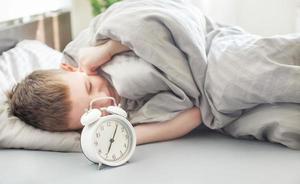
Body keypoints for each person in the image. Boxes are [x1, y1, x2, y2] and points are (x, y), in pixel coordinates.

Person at [7, 39, 202, 145]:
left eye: (89, 87)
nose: (104, 100)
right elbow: (192, 117)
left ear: (71, 68)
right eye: (91, 112)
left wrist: (109, 48)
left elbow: (148, 32)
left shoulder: (93, 52)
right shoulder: (121, 124)